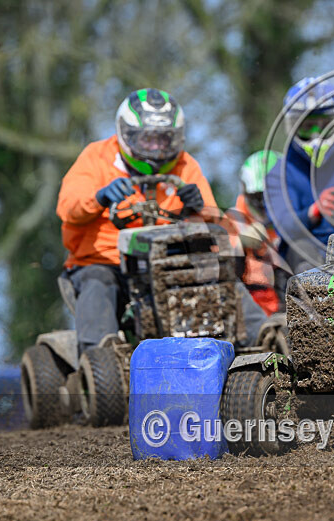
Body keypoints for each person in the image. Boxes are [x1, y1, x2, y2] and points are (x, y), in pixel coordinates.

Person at [57, 88, 219, 353]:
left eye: (163, 139)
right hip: (105, 262)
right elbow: (68, 207)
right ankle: (100, 358)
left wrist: (197, 209)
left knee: (219, 274)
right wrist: (99, 197)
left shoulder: (185, 165)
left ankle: (262, 337)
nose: (156, 148)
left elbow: (216, 229)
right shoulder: (95, 157)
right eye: (147, 139)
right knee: (99, 282)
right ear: (128, 135)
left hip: (169, 263)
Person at [264, 77, 334, 274]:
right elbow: (282, 225)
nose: (316, 134)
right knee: (301, 249)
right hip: (304, 261)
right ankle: (312, 304)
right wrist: (313, 212)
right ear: (293, 126)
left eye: (324, 125)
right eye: (307, 126)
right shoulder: (279, 173)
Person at [233, 150, 284, 315]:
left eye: (271, 198)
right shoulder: (234, 222)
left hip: (287, 307)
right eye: (258, 198)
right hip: (250, 313)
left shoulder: (297, 220)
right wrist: (239, 247)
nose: (265, 206)